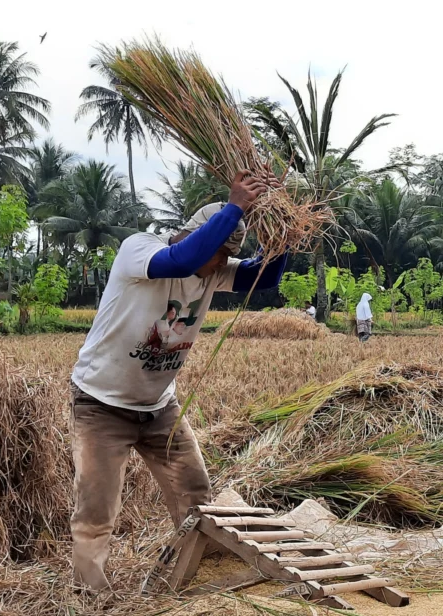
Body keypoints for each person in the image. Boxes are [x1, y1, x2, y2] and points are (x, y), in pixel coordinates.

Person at [68, 170, 290, 591]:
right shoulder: (141, 250)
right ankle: (89, 598)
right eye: (216, 258)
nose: (218, 270)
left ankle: (195, 577)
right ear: (193, 235)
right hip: (101, 405)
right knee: (96, 512)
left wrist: (284, 233)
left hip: (159, 409)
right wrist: (237, 205)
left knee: (196, 495)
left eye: (224, 261)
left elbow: (264, 277)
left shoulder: (212, 268)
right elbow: (185, 259)